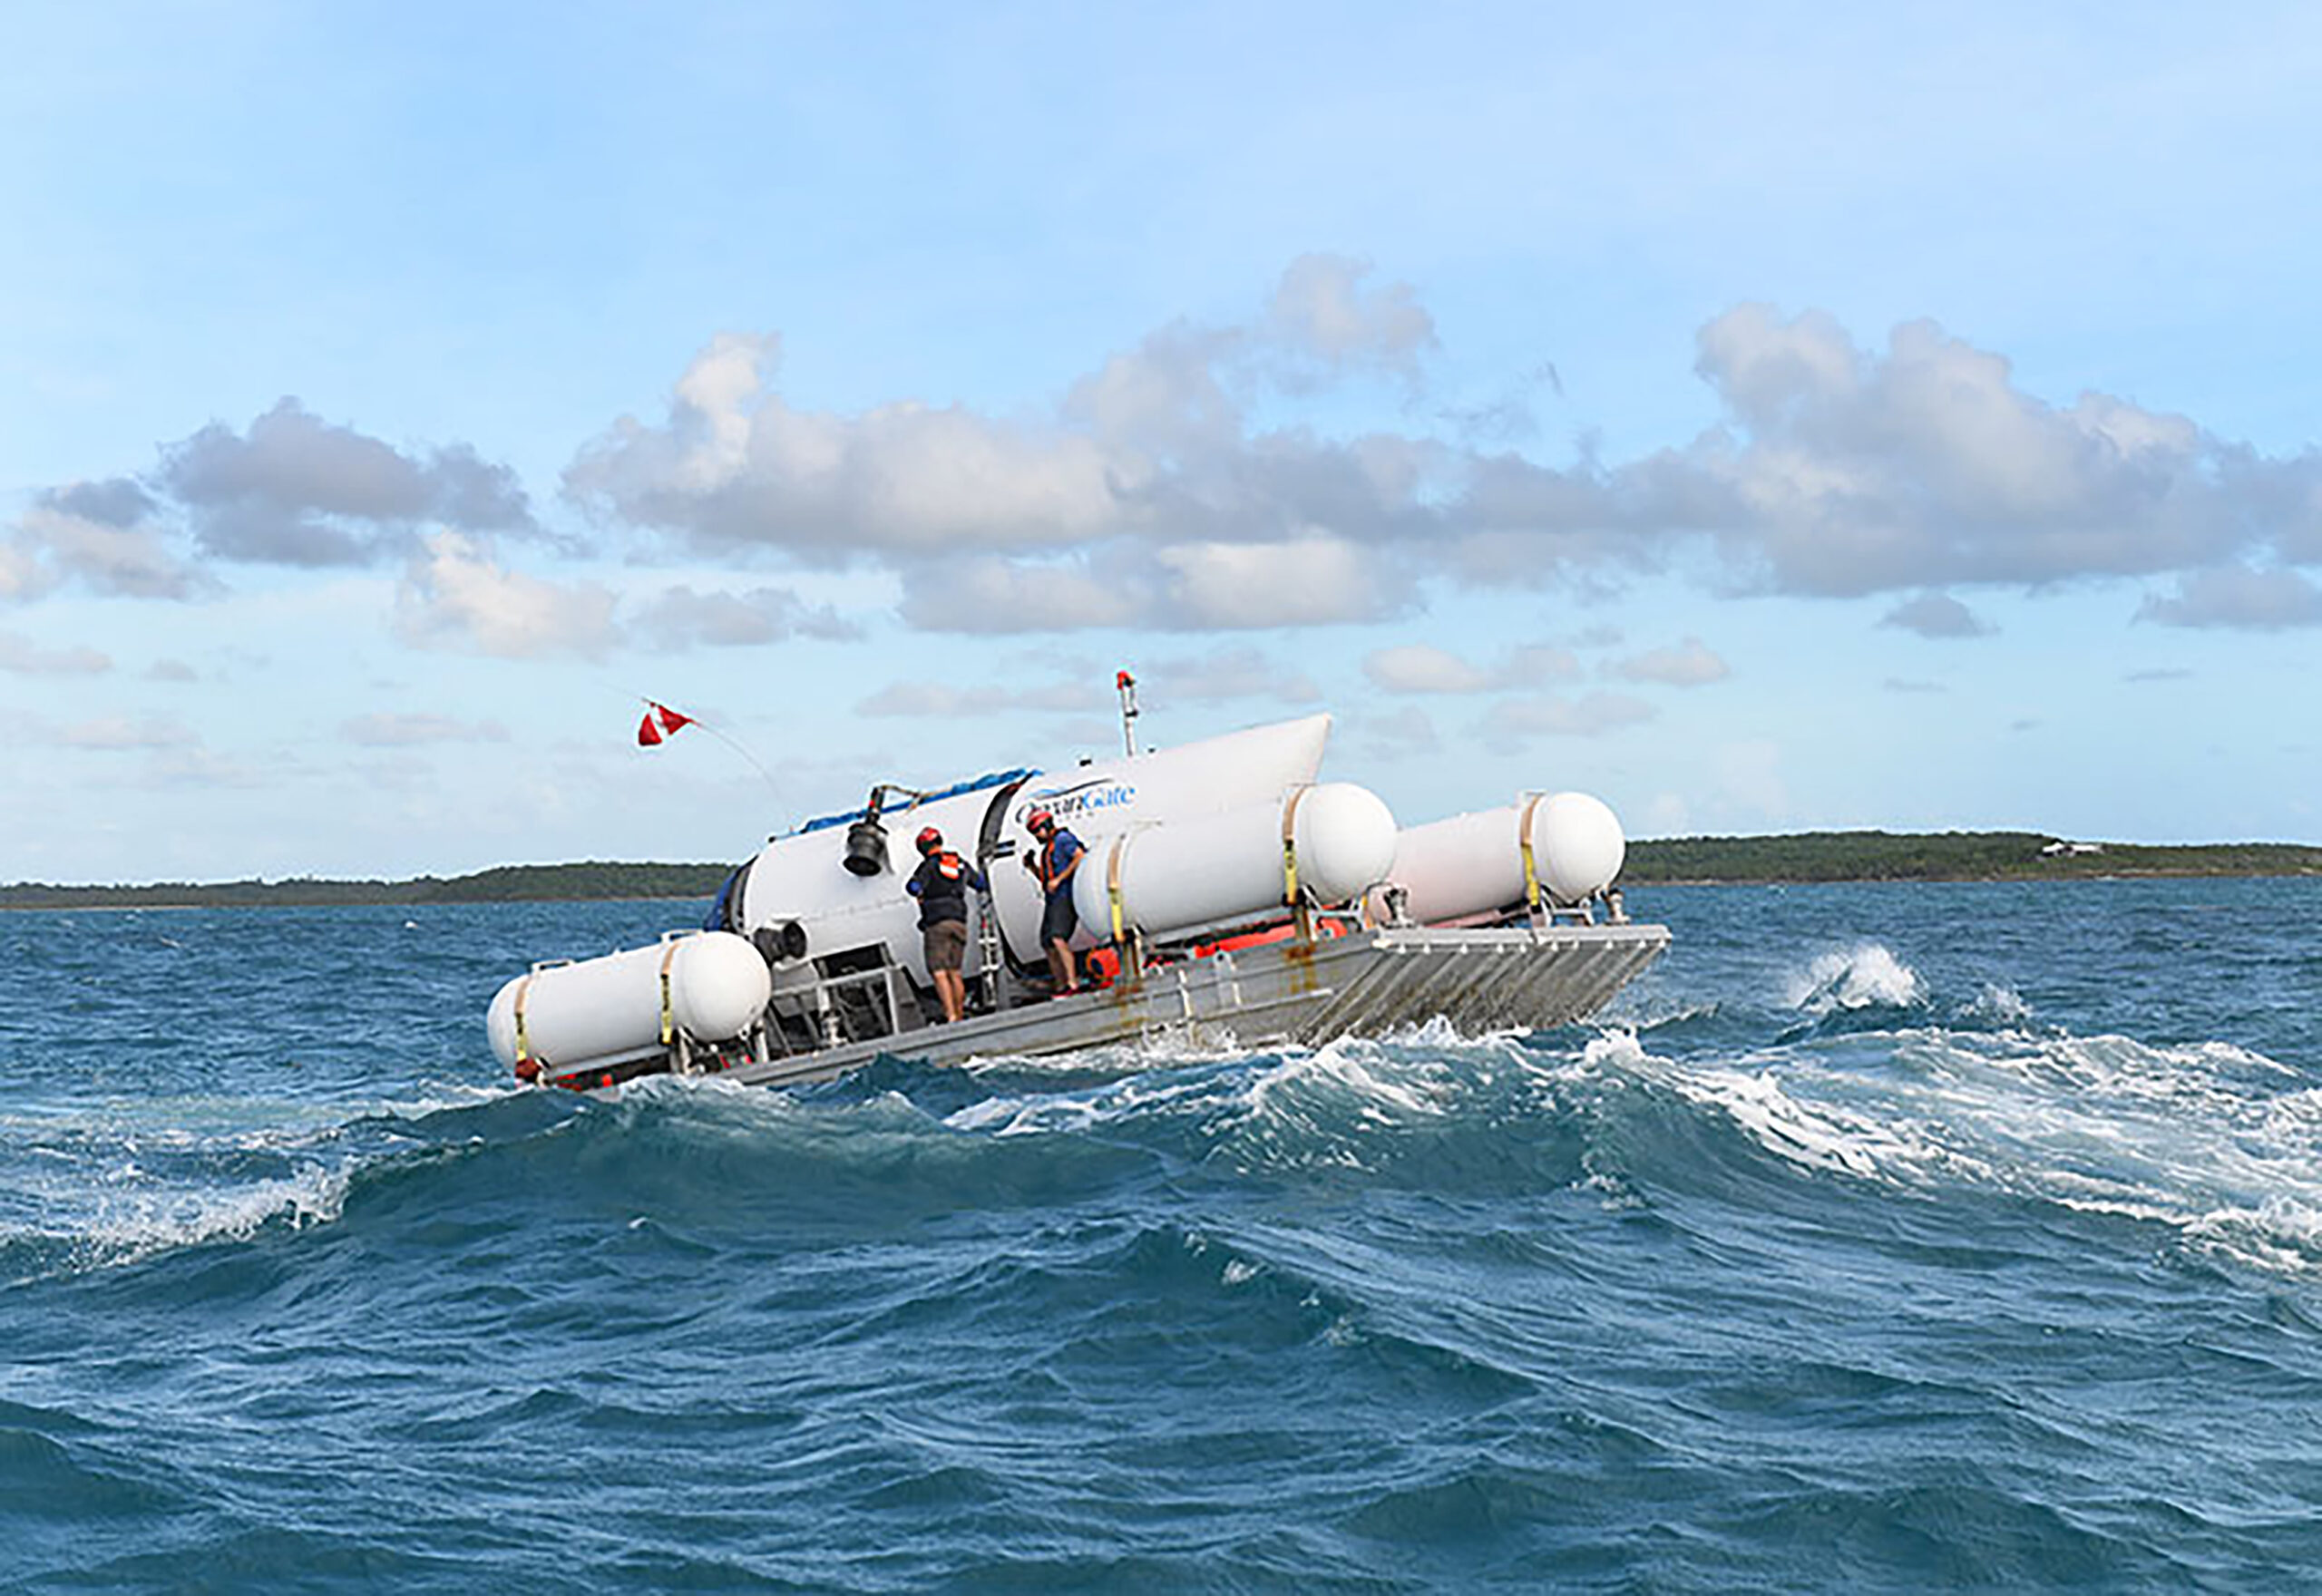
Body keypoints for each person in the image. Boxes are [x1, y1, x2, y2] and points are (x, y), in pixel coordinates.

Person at [904, 824, 989, 1024]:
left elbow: (913, 886)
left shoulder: (929, 866)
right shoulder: (957, 862)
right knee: (955, 971)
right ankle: (958, 1014)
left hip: (937, 923)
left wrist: (922, 894)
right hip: (959, 920)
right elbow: (980, 883)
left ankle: (951, 1016)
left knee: (939, 971)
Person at [1022, 807, 1084, 996]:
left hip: (1064, 897)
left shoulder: (1063, 840)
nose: (1036, 836)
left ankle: (1072, 982)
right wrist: (1032, 867)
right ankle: (1061, 984)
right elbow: (1047, 879)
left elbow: (1079, 856)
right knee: (1047, 942)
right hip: (1053, 899)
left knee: (1058, 938)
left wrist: (1060, 879)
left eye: (1037, 831)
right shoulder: (1047, 850)